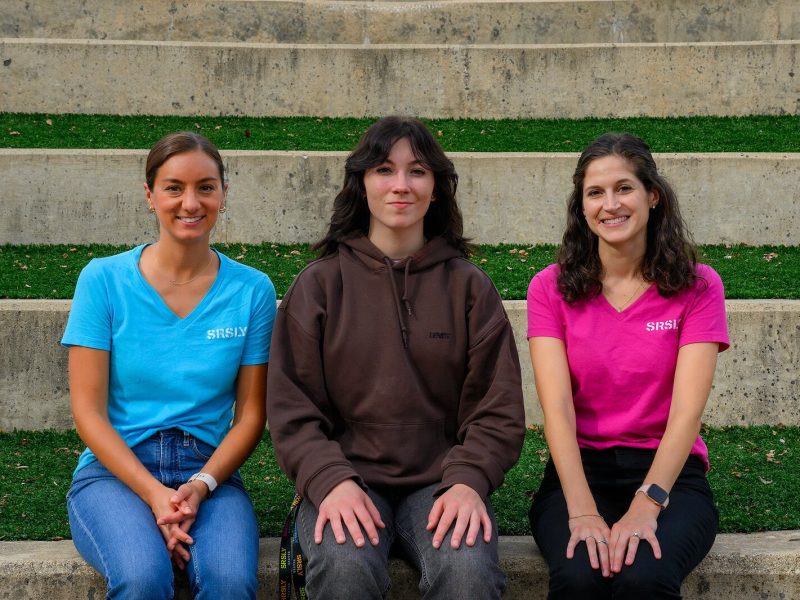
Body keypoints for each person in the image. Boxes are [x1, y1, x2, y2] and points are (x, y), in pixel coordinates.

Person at [267, 116, 525, 599]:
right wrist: (329, 479)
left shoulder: (469, 287)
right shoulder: (319, 286)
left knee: (467, 571)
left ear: (436, 188)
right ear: (361, 183)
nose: (401, 185)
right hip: (348, 479)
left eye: (418, 171)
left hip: (441, 483)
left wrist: (469, 481)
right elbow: (293, 410)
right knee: (344, 568)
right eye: (385, 170)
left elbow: (497, 408)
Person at [62, 132, 276, 599]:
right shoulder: (102, 280)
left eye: (206, 187)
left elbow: (251, 414)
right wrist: (155, 494)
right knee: (142, 577)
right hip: (115, 472)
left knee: (230, 581)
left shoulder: (252, 290)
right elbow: (88, 413)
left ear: (223, 193)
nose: (190, 203)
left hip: (209, 472)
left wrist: (200, 486)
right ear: (150, 194)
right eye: (174, 187)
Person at [527, 132, 730, 599]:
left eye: (624, 188)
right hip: (580, 473)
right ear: (581, 206)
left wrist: (647, 504)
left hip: (671, 475)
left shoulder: (699, 286)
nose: (610, 204)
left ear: (652, 195)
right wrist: (582, 510)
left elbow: (686, 413)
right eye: (595, 192)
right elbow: (556, 408)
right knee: (579, 576)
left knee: (644, 577)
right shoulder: (550, 287)